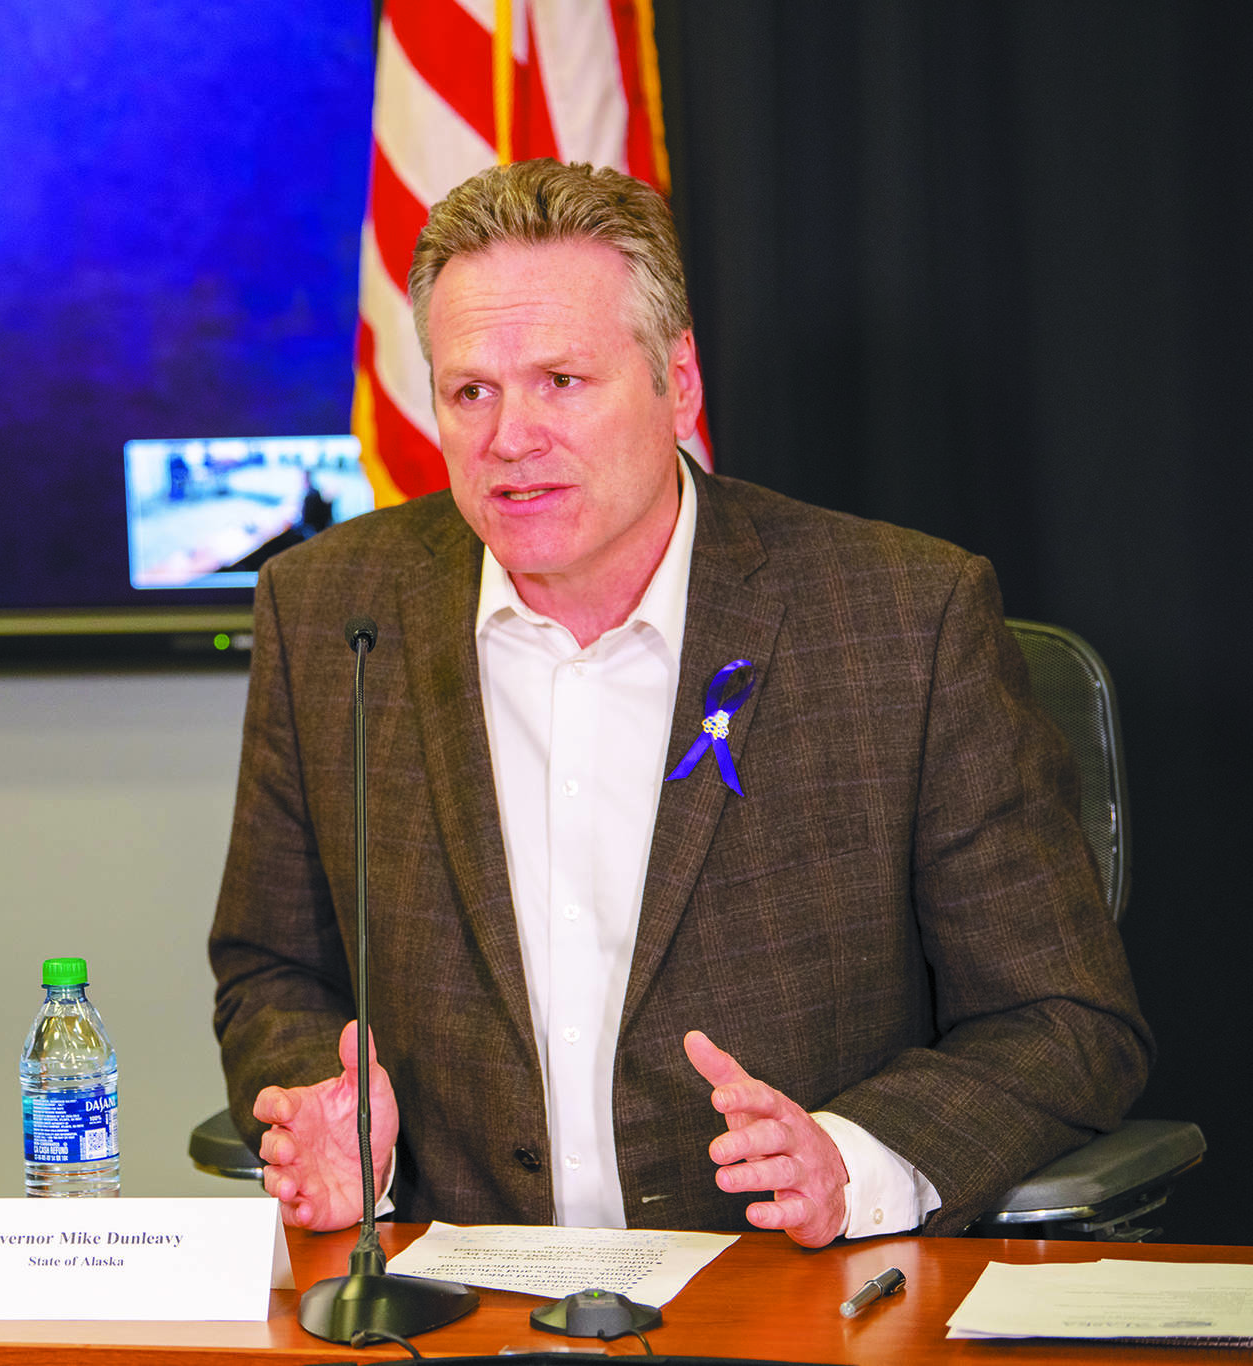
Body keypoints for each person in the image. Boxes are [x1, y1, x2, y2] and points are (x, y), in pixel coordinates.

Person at [208, 158, 1150, 1244]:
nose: (509, 436)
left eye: (562, 380)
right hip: (450, 1296)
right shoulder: (328, 608)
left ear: (678, 382)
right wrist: (320, 1112)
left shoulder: (902, 616)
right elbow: (272, 967)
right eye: (471, 390)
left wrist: (852, 1160)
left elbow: (1063, 1019)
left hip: (785, 1296)